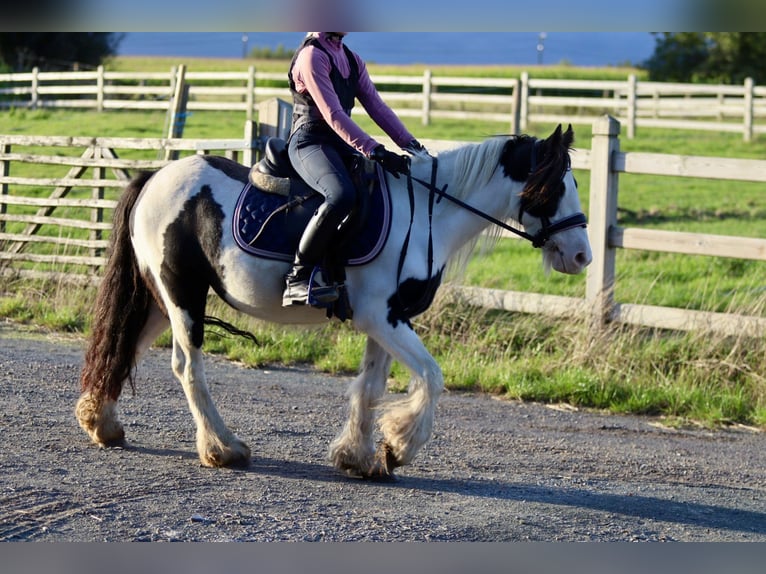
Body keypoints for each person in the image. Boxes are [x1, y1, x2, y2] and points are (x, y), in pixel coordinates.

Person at [283, 32, 427, 307]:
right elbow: (333, 113)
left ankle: (343, 272)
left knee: (377, 191)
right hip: (309, 142)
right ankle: (297, 278)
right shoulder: (312, 56)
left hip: (339, 144)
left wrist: (411, 145)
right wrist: (374, 149)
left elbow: (376, 106)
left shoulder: (351, 58)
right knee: (341, 196)